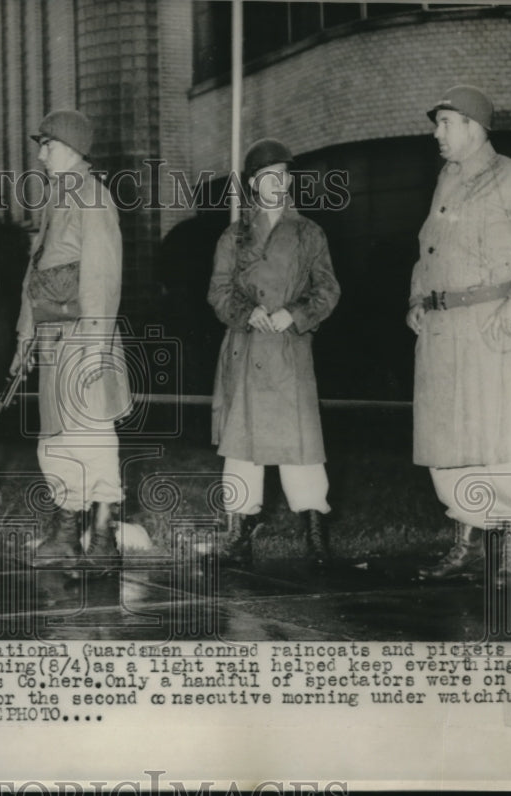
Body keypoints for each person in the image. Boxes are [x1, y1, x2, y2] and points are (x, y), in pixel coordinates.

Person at [408, 85, 511, 587]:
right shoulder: (447, 180)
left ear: (473, 127)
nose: (437, 133)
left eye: (445, 123)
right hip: (442, 329)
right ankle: (466, 545)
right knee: (448, 441)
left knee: (501, 440)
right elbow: (429, 250)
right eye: (437, 124)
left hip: (493, 326)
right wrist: (416, 300)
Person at [208, 138, 341, 569]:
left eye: (282, 176)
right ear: (252, 184)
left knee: (301, 446)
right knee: (242, 447)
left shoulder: (308, 233)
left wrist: (295, 315)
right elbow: (219, 291)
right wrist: (247, 314)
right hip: (245, 351)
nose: (276, 185)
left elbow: (327, 290)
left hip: (288, 351)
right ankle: (238, 535)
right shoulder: (234, 234)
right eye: (267, 178)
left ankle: (316, 537)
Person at [10, 109, 131, 571]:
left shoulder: (92, 197)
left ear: (73, 148)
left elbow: (102, 278)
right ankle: (65, 536)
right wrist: (25, 336)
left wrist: (96, 348)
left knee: (93, 436)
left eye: (48, 144)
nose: (40, 154)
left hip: (82, 339)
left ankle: (102, 539)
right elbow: (36, 275)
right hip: (53, 338)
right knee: (57, 441)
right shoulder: (59, 197)